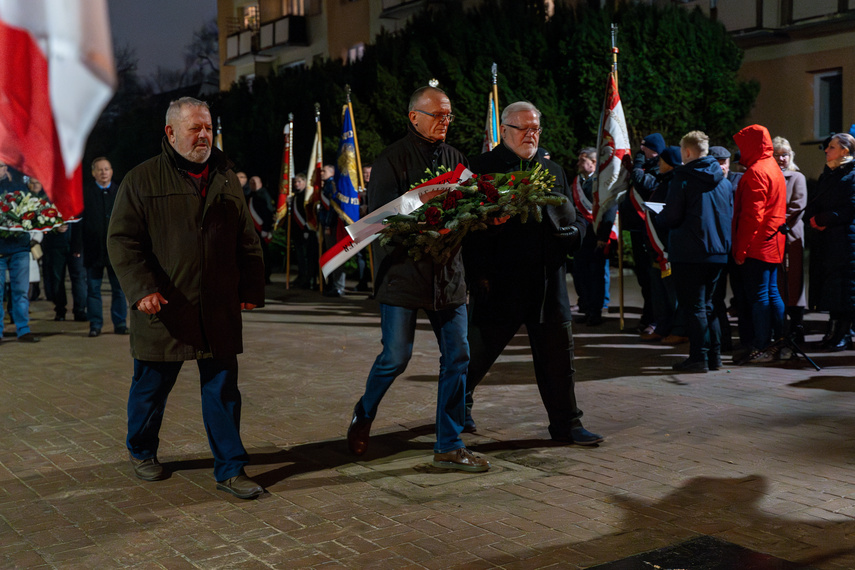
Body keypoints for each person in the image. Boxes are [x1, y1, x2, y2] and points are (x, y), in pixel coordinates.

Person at [107, 97, 266, 499]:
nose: (204, 135)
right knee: (151, 389)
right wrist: (141, 289)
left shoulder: (226, 176)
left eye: (208, 127)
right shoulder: (141, 180)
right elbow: (122, 240)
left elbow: (246, 238)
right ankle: (141, 450)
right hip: (165, 308)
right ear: (170, 132)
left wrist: (250, 288)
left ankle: (231, 468)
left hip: (217, 308)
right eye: (195, 128)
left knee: (223, 391)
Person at [346, 86, 489, 472]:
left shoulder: (457, 159)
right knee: (395, 357)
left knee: (458, 356)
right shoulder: (392, 159)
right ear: (414, 116)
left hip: (449, 276)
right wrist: (423, 209)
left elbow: (472, 205)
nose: (445, 121)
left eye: (449, 115)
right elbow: (380, 219)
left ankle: (449, 442)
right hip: (404, 275)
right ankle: (364, 413)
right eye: (437, 114)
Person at [463, 101, 603, 445]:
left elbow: (575, 219)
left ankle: (567, 425)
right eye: (524, 128)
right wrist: (476, 274)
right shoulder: (480, 168)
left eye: (536, 128)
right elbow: (466, 226)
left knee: (558, 358)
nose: (531, 135)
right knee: (475, 356)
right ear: (505, 130)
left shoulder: (552, 169)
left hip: (547, 281)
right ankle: (456, 406)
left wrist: (577, 235)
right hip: (500, 281)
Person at [656, 131, 732, 372]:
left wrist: (661, 214)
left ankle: (699, 357)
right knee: (710, 305)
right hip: (718, 251)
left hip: (690, 251)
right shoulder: (725, 181)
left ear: (687, 152)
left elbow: (673, 216)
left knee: (695, 307)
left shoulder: (683, 178)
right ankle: (715, 357)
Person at [731, 124, 786, 364]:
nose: (740, 151)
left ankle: (763, 345)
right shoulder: (772, 167)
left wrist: (741, 249)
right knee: (772, 293)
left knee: (761, 297)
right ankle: (780, 341)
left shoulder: (756, 172)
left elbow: (752, 216)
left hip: (758, 243)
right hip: (772, 240)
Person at [805, 133, 855, 351]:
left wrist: (823, 219)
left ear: (845, 150)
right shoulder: (830, 173)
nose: (826, 150)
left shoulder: (852, 174)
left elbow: (850, 207)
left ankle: (843, 334)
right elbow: (818, 199)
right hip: (829, 240)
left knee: (846, 289)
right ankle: (833, 332)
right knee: (834, 289)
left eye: (832, 147)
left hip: (846, 240)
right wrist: (813, 217)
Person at [77, 157, 128, 337]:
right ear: (93, 173)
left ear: (112, 171)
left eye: (106, 169)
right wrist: (77, 247)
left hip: (117, 252)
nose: (104, 173)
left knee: (119, 290)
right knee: (93, 290)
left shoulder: (120, 192)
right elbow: (79, 224)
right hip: (93, 251)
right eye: (100, 170)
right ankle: (95, 324)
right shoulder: (86, 194)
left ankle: (120, 322)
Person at [623, 133, 666, 334]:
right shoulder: (646, 166)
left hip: (651, 231)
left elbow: (645, 183)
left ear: (654, 149)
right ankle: (648, 316)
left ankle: (655, 320)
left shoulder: (659, 168)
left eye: (644, 147)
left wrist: (637, 165)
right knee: (644, 277)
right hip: (638, 228)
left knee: (653, 279)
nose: (641, 151)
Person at [571, 147, 614, 326]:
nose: (579, 164)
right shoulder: (578, 182)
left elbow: (609, 209)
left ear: (593, 162)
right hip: (581, 237)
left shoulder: (602, 183)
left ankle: (595, 312)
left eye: (583, 160)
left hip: (596, 236)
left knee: (596, 276)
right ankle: (587, 308)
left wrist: (603, 236)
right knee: (582, 276)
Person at [771, 137, 807, 345]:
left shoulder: (796, 177)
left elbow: (797, 206)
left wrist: (774, 221)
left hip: (790, 235)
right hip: (771, 237)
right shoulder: (769, 176)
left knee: (792, 282)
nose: (782, 158)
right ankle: (779, 327)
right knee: (777, 282)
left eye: (785, 154)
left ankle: (796, 327)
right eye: (777, 155)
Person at [0, 163, 40, 342]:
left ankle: (23, 329)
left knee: (21, 292)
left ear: (6, 168)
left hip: (20, 249)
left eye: (0, 166)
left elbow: (31, 213)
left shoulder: (19, 188)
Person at [319, 164, 346, 297]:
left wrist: (328, 225)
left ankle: (338, 287)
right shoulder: (327, 185)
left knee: (336, 256)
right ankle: (333, 285)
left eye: (324, 170)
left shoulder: (332, 185)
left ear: (332, 172)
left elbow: (332, 207)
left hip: (334, 226)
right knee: (332, 256)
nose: (321, 172)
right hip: (329, 225)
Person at [289, 173, 318, 289]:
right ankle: (301, 276)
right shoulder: (295, 196)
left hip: (306, 231)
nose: (297, 184)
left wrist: (306, 229)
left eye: (299, 182)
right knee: (300, 256)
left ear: (305, 183)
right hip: (297, 232)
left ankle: (308, 278)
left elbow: (308, 214)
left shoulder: (307, 196)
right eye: (295, 182)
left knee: (308, 257)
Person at [247, 175, 275, 284]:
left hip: (262, 230)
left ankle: (266, 276)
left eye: (255, 182)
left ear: (260, 184)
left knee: (264, 255)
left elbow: (268, 212)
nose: (253, 184)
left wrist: (266, 229)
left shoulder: (264, 195)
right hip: (252, 231)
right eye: (251, 182)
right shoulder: (249, 196)